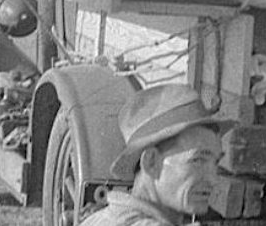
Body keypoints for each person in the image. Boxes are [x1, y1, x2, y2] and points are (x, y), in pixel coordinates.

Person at [78, 84, 234, 226]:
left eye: (215, 163)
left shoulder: (100, 219)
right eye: (198, 160)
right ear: (151, 162)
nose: (213, 180)